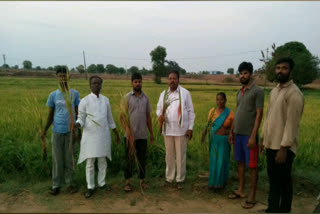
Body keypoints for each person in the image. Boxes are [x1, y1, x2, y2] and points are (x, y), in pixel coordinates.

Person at [260, 57, 304, 213]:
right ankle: (272, 208)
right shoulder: (275, 91)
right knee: (274, 181)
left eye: (284, 68)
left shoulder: (294, 94)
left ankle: (282, 210)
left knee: (283, 183)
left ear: (290, 71)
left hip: (282, 148)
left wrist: (284, 148)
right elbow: (269, 116)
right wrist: (263, 137)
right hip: (271, 144)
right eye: (278, 68)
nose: (280, 71)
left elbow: (292, 124)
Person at [74, 75, 120, 198]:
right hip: (90, 136)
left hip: (103, 135)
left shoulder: (106, 100)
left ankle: (102, 183)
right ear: (90, 85)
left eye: (98, 83)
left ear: (101, 85)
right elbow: (81, 118)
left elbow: (110, 118)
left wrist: (116, 133)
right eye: (94, 83)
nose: (96, 85)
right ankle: (90, 186)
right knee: (90, 161)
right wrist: (77, 124)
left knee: (102, 160)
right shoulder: (84, 101)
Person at [228, 62, 264, 209]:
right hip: (238, 134)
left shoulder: (257, 91)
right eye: (241, 73)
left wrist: (253, 136)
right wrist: (231, 131)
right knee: (240, 163)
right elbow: (237, 112)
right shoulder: (240, 91)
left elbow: (259, 115)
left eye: (245, 73)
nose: (242, 76)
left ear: (251, 74)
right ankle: (241, 190)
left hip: (249, 136)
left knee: (253, 166)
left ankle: (252, 196)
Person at [42, 66, 80, 195]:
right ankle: (56, 185)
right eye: (60, 75)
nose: (62, 78)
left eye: (64, 75)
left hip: (71, 131)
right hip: (57, 131)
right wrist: (45, 130)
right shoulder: (53, 95)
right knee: (57, 159)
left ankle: (70, 184)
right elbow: (50, 114)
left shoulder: (74, 93)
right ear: (56, 77)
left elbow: (77, 113)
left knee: (70, 159)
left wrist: (78, 131)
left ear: (68, 77)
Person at [156, 70, 195, 190]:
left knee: (180, 155)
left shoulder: (185, 93)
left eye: (174, 78)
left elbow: (190, 112)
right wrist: (160, 116)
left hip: (181, 131)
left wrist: (190, 128)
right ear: (168, 80)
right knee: (169, 155)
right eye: (170, 78)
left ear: (178, 80)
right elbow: (158, 109)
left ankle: (180, 179)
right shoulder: (164, 94)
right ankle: (169, 177)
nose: (172, 81)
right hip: (167, 130)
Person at [121, 72, 154, 192]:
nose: (138, 83)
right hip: (130, 136)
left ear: (141, 82)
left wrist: (151, 134)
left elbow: (148, 117)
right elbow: (122, 117)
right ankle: (128, 182)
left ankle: (142, 181)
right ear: (132, 83)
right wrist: (127, 131)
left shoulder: (146, 98)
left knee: (141, 159)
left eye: (139, 81)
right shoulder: (127, 97)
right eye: (135, 81)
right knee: (129, 159)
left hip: (142, 135)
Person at [201, 92, 234, 189]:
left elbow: (233, 128)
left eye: (221, 99)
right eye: (217, 99)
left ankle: (221, 183)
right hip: (214, 139)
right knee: (214, 161)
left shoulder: (230, 113)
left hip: (224, 140)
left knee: (222, 161)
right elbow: (208, 124)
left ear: (225, 100)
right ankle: (212, 182)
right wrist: (204, 133)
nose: (219, 102)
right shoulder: (212, 111)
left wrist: (230, 135)